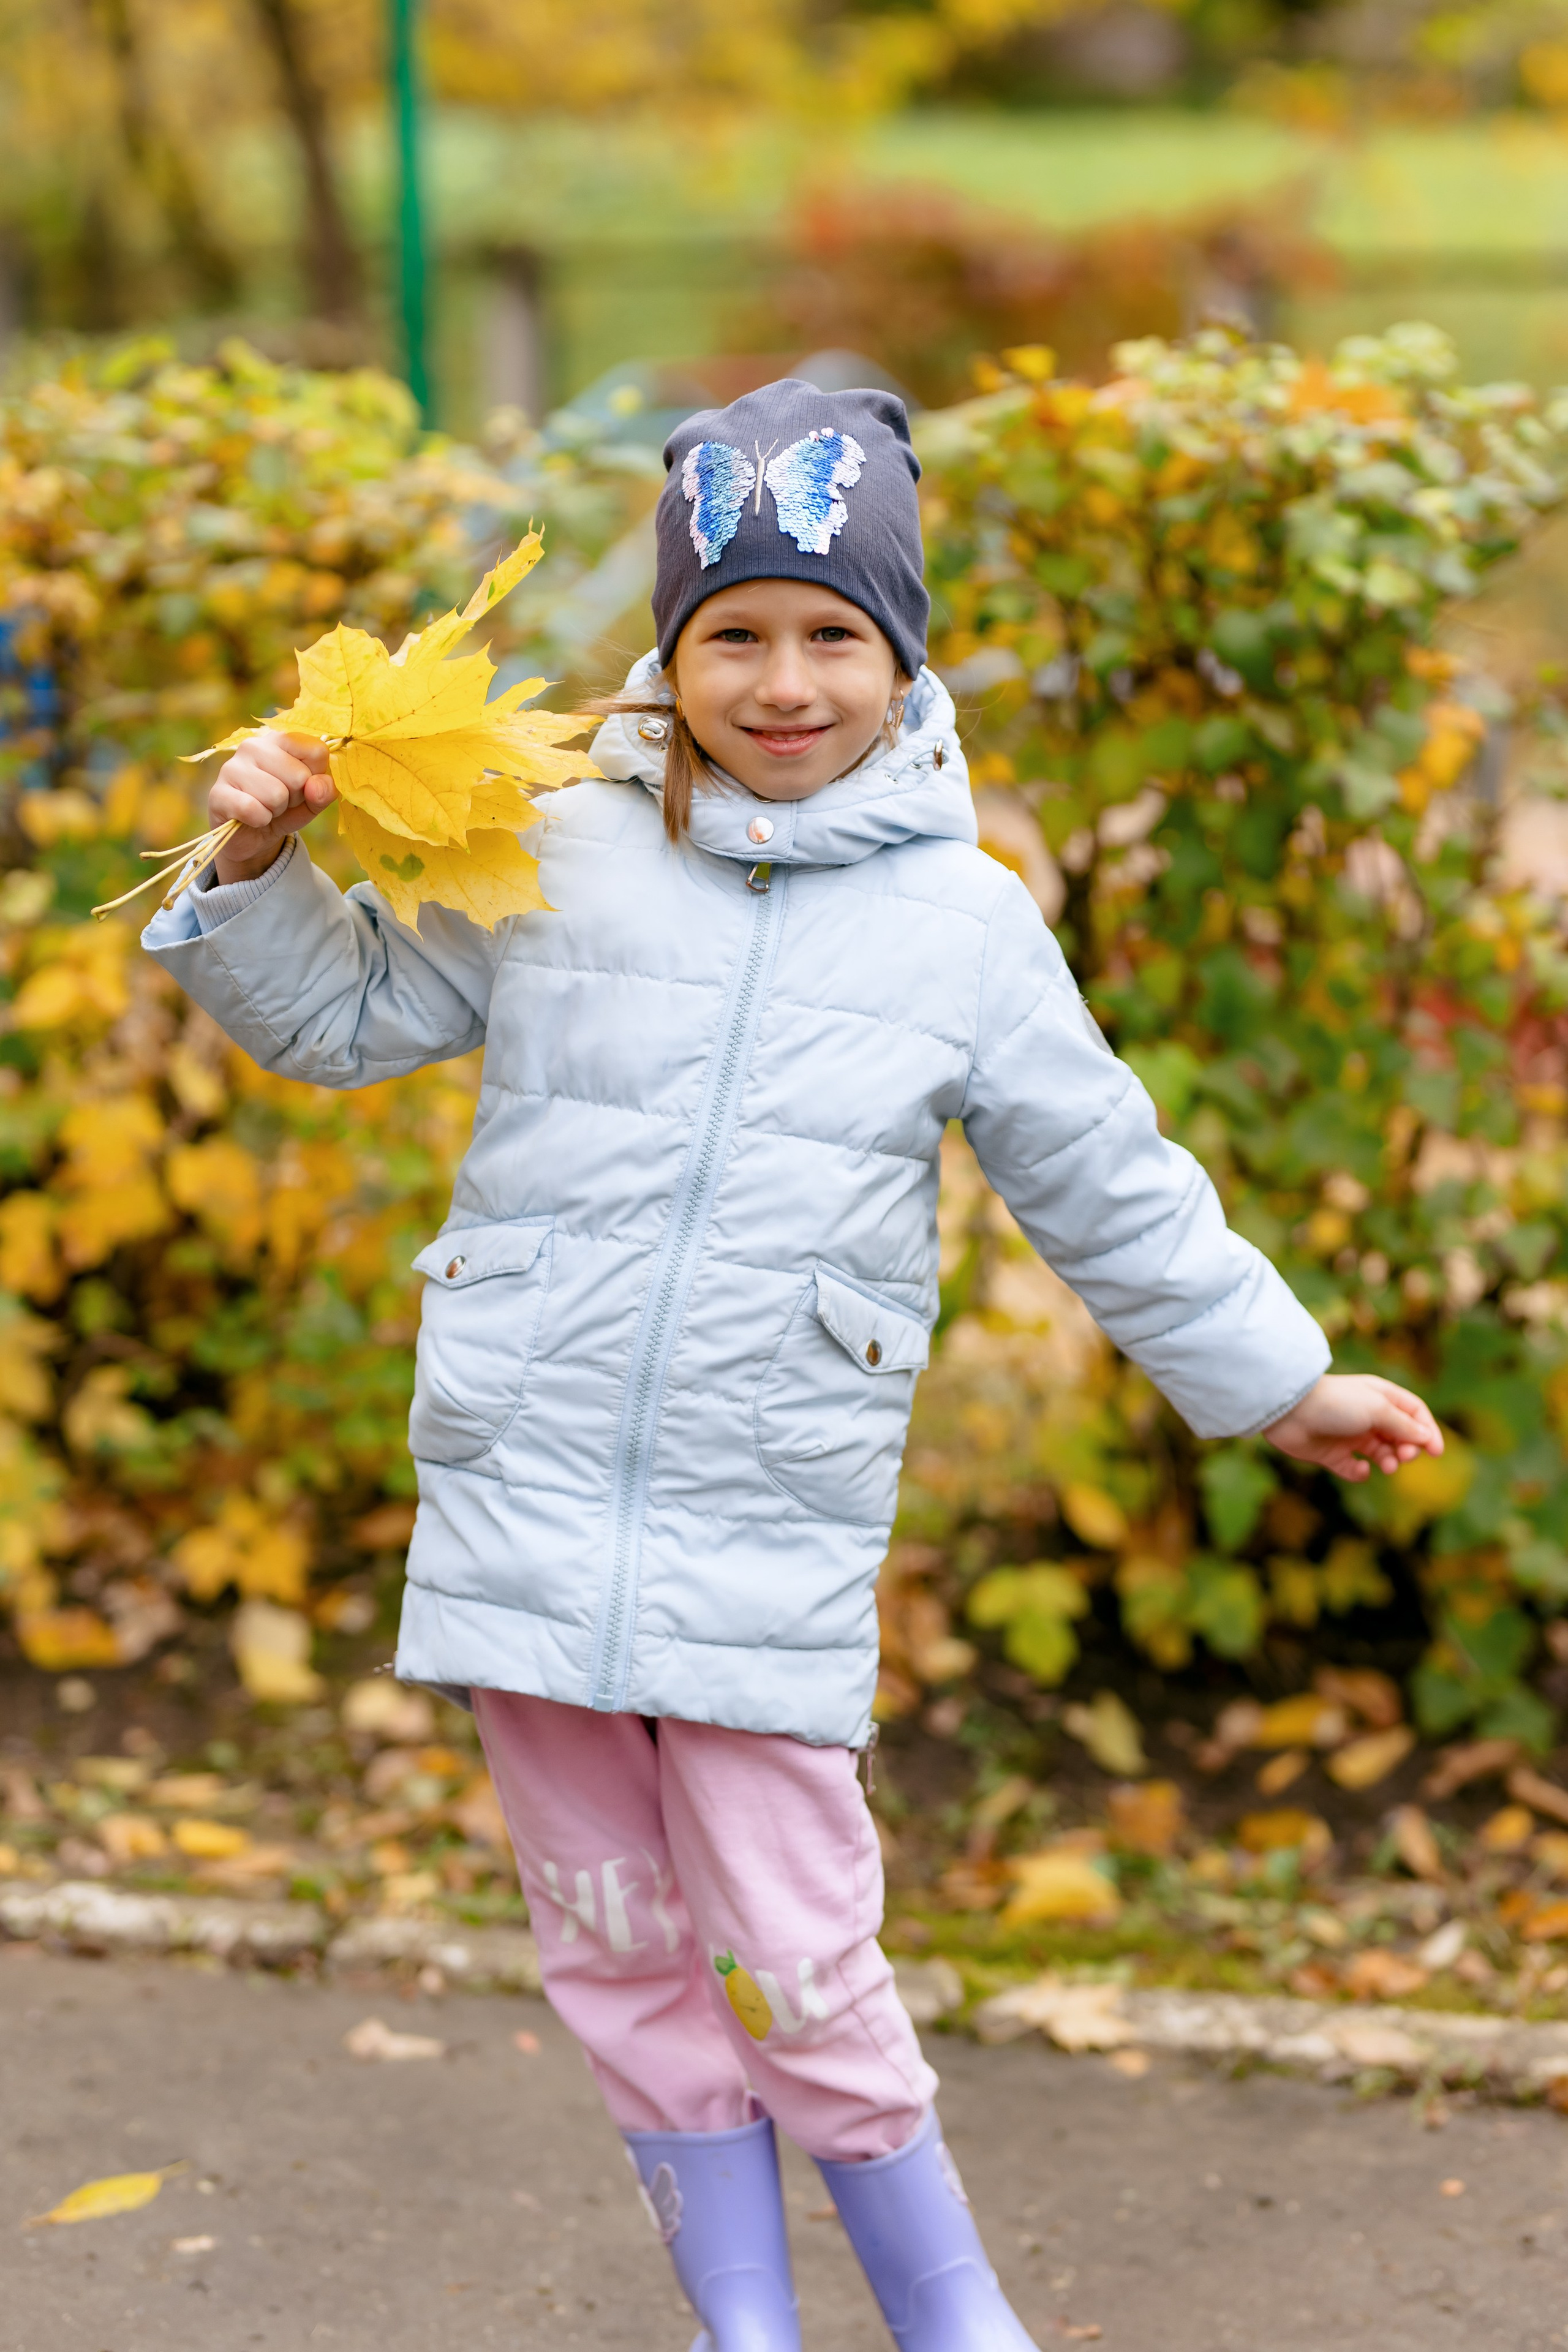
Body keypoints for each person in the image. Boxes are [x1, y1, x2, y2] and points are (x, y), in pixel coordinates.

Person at [143, 380, 1442, 2351]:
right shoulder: (555, 846)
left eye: (834, 633)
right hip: (528, 1481)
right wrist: (257, 872)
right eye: (732, 630)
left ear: (901, 654)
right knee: (615, 1951)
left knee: (800, 1951)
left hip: (769, 1506)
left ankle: (951, 2318)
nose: (782, 679)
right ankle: (740, 2322)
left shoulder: (964, 928)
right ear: (672, 647)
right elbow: (342, 1017)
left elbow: (1110, 1177)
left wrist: (1283, 1381)